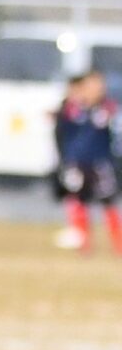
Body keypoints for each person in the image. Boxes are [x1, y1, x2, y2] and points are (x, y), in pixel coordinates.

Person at [52, 71, 121, 253]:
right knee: (77, 200)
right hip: (76, 162)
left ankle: (119, 245)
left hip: (100, 163)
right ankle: (82, 244)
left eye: (99, 86)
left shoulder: (107, 109)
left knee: (108, 202)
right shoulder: (71, 109)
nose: (97, 89)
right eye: (92, 85)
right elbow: (60, 132)